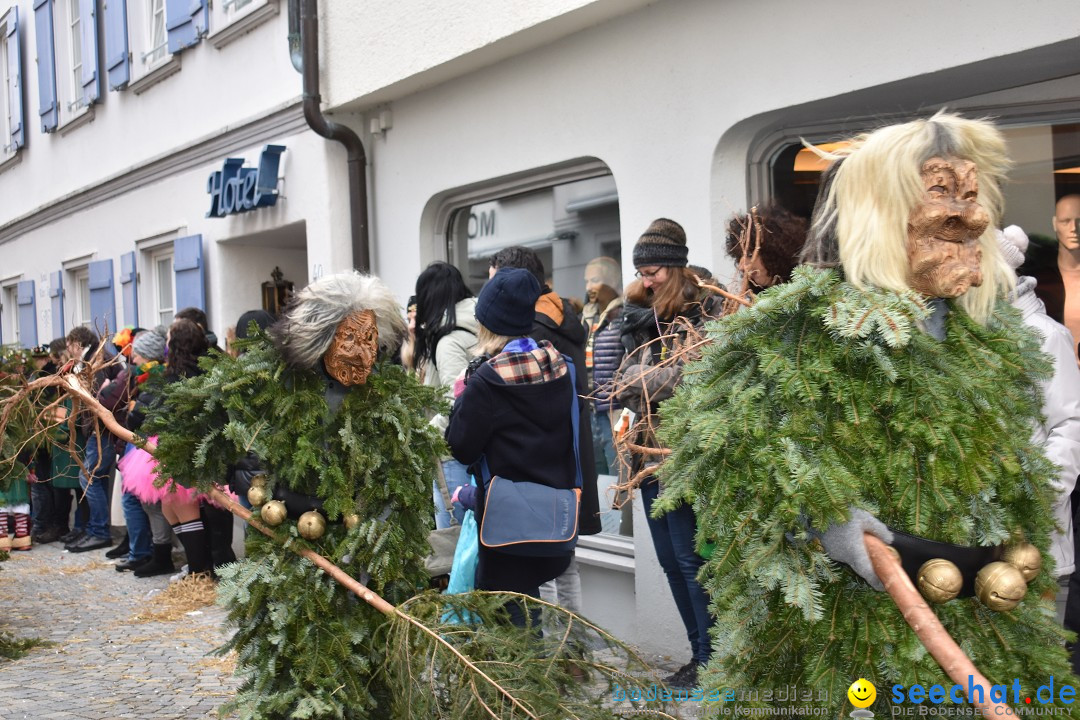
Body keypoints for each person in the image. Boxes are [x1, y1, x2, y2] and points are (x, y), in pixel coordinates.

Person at [658, 113, 1075, 706]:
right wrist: (827, 516)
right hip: (847, 634)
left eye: (970, 196)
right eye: (940, 194)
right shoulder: (807, 331)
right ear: (882, 210)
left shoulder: (993, 336)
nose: (969, 216)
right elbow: (736, 441)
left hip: (986, 609)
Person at [614, 218, 722, 688]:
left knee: (689, 558)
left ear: (676, 267)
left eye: (654, 270)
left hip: (685, 452)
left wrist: (642, 380)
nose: (646, 280)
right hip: (645, 456)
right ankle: (698, 652)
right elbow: (621, 380)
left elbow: (696, 375)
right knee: (666, 560)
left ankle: (711, 658)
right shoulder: (639, 314)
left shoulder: (709, 307)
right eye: (641, 271)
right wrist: (643, 380)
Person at [446, 267, 578, 628]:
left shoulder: (487, 379)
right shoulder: (558, 366)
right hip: (553, 517)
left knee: (507, 626)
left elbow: (461, 447)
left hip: (507, 525)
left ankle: (512, 686)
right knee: (526, 607)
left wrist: (463, 397)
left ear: (488, 323)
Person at [489, 247, 602, 614]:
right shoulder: (565, 318)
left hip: (539, 461)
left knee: (543, 567)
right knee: (564, 561)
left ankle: (555, 662)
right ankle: (575, 657)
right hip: (568, 455)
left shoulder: (531, 332)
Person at [413, 262, 478, 529]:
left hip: (452, 452)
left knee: (452, 538)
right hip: (479, 449)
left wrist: (425, 434)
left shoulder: (449, 340)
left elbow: (456, 402)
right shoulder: (479, 327)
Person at [64, 326, 118, 553]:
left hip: (100, 430)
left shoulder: (95, 361)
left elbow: (98, 397)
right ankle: (94, 529)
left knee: (89, 478)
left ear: (77, 343)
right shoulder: (93, 357)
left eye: (70, 346)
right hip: (96, 429)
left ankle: (99, 531)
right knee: (96, 478)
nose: (69, 351)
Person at [581, 257, 623, 476]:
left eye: (595, 280)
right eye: (587, 281)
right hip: (589, 407)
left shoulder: (623, 316)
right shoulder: (587, 317)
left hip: (613, 409)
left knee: (618, 475)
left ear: (611, 280)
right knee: (596, 477)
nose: (589, 287)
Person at [724, 202, 808, 293]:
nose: (742, 267)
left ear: (775, 252)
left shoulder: (810, 294)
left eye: (750, 254)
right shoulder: (759, 302)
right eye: (739, 257)